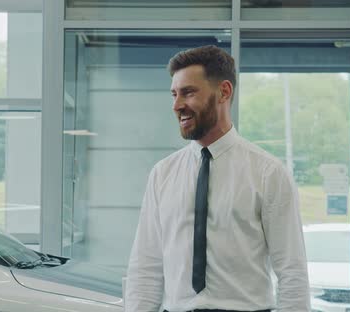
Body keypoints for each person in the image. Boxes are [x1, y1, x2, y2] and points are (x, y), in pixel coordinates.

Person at [125, 45, 310, 312]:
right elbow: (146, 267)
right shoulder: (162, 174)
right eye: (174, 94)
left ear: (224, 92)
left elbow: (292, 272)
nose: (177, 105)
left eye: (188, 92)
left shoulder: (268, 173)